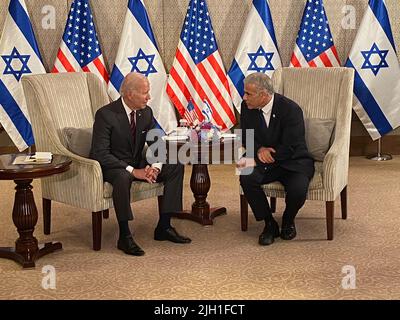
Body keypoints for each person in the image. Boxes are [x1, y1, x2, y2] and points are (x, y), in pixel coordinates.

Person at [90, 72, 191, 256]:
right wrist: (133, 171)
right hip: (113, 166)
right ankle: (125, 235)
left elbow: (157, 144)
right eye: (145, 93)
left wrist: (155, 167)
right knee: (122, 177)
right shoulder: (106, 114)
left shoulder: (146, 112)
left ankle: (164, 226)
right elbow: (100, 153)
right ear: (129, 94)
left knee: (175, 163)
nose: (149, 97)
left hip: (137, 161)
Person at [237, 72, 314, 246]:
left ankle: (288, 220)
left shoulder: (291, 109)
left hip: (293, 161)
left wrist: (266, 155)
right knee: (244, 171)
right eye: (245, 93)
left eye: (248, 94)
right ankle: (269, 223)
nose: (244, 97)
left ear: (263, 95)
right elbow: (245, 136)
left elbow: (292, 145)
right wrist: (258, 151)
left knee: (298, 189)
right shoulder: (246, 106)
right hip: (260, 157)